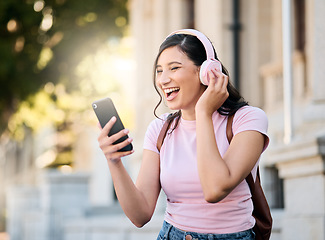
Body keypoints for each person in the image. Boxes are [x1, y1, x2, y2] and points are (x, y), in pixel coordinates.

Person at [97, 29, 269, 240]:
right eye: (159, 71)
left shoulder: (248, 119)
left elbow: (215, 189)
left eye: (174, 68)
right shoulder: (159, 129)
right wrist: (114, 161)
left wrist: (203, 113)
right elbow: (140, 215)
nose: (163, 79)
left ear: (206, 71)